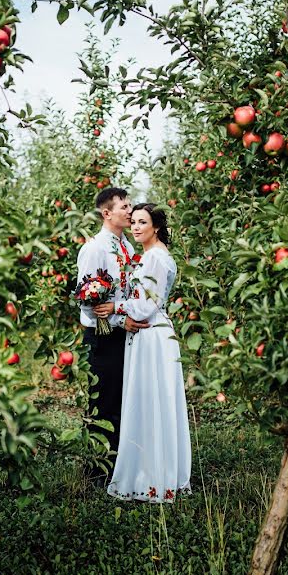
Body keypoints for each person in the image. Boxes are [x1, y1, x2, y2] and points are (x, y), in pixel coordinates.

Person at [103, 203, 192, 503]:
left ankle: (152, 478)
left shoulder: (155, 258)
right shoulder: (152, 256)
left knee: (151, 403)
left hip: (151, 335)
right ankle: (153, 473)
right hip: (150, 335)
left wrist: (116, 306)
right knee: (151, 403)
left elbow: (144, 307)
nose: (136, 227)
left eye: (143, 222)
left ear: (156, 227)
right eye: (134, 222)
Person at [76, 188, 150, 479]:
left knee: (121, 398)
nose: (130, 211)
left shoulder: (127, 248)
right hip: (102, 334)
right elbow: (86, 299)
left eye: (131, 205)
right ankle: (96, 470)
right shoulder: (94, 248)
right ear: (107, 213)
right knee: (102, 400)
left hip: (122, 332)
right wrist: (120, 322)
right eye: (124, 206)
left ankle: (118, 463)